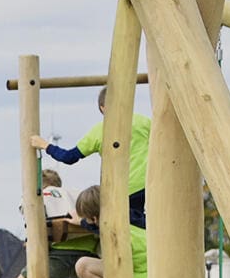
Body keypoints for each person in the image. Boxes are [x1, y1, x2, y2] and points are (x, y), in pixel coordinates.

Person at [30, 87, 150, 228]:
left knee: (124, 226)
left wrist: (45, 145)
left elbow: (69, 157)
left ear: (103, 108)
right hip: (150, 183)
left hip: (123, 189)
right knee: (148, 224)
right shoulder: (144, 122)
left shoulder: (100, 130)